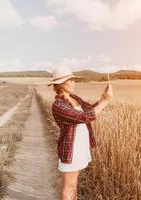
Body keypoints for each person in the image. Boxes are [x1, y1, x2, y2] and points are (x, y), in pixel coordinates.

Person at [47, 66, 113, 200]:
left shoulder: (74, 98)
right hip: (71, 149)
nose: (74, 83)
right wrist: (106, 102)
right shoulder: (58, 105)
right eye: (70, 80)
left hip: (80, 146)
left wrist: (102, 98)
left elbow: (88, 110)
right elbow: (84, 117)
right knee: (68, 187)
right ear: (60, 84)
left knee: (74, 185)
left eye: (73, 79)